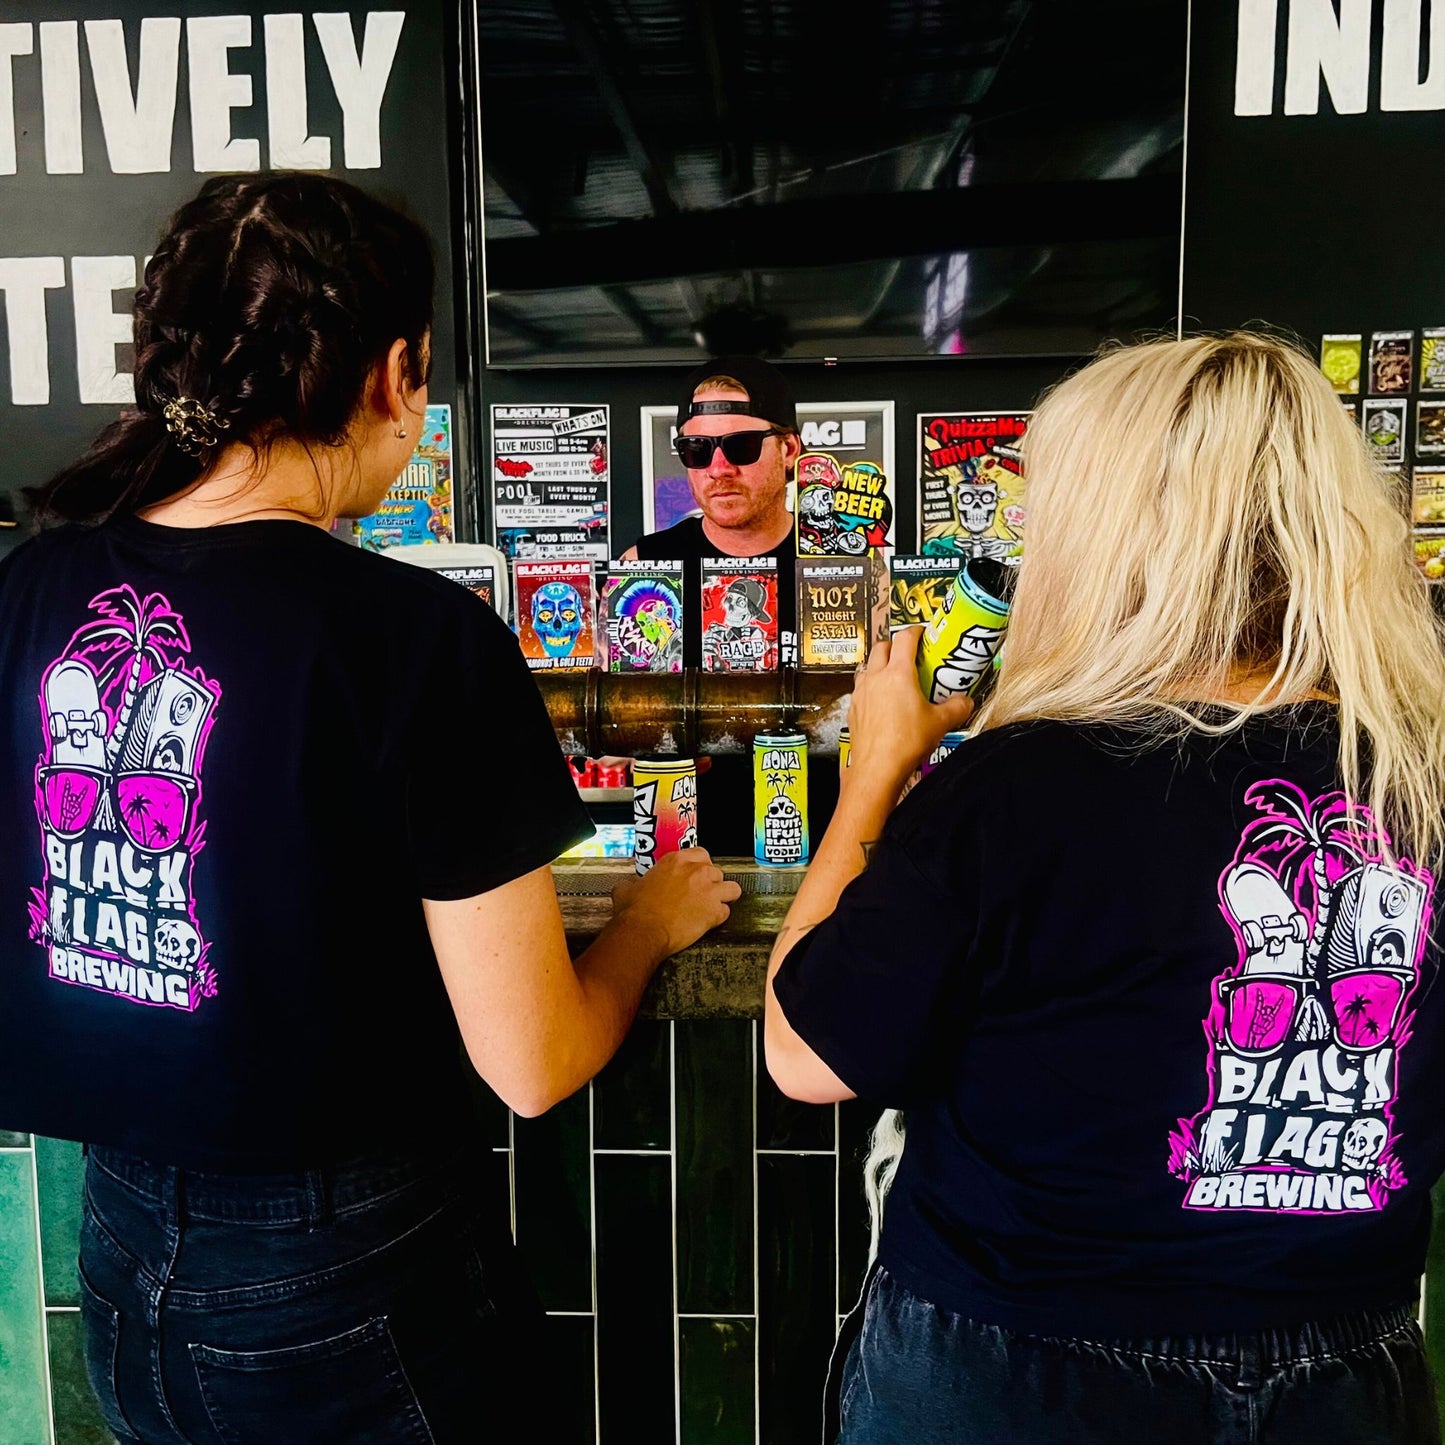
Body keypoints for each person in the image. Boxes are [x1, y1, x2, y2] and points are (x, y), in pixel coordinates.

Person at [0, 171, 739, 1445]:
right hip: (349, 1275)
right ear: (397, 373)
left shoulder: (30, 585)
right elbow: (533, 1061)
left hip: (119, 1257)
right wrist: (649, 922)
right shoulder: (412, 638)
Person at [763, 332, 1445, 1444]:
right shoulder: (1418, 776)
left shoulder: (1018, 785)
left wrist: (877, 768)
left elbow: (805, 1055)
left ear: (1102, 535)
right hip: (1341, 1366)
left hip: (1013, 1365)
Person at [623, 355, 840, 854]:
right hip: (688, 849)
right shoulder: (643, 565)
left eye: (740, 446)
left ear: (788, 449)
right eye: (696, 449)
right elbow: (616, 712)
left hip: (833, 842)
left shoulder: (844, 565)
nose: (718, 469)